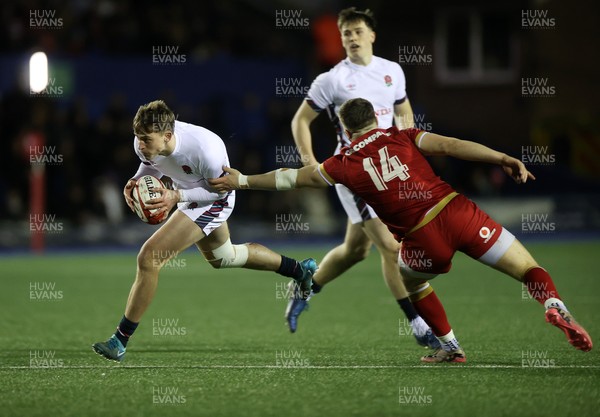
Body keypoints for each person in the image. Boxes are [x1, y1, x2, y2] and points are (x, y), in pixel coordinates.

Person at [209, 98, 593, 363]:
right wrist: (501, 157)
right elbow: (454, 145)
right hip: (457, 213)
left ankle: (451, 347)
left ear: (345, 127)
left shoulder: (342, 163)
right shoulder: (404, 135)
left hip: (422, 239)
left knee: (413, 282)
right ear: (376, 118)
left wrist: (241, 180)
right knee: (528, 269)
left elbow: (290, 178)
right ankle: (554, 305)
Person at [92, 100, 317, 362]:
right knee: (225, 257)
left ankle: (120, 340)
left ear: (167, 136)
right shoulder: (144, 140)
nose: (140, 145)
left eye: (145, 139)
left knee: (149, 258)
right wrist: (134, 180)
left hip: (215, 199)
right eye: (137, 138)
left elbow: (222, 189)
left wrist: (176, 196)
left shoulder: (204, 148)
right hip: (187, 195)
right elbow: (150, 164)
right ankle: (301, 270)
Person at [288, 7, 438, 348]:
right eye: (346, 34)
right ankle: (417, 323)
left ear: (372, 35)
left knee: (356, 250)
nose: (352, 38)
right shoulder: (332, 80)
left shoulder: (392, 71)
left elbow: (402, 111)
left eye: (357, 31)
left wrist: (409, 148)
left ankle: (304, 285)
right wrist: (310, 162)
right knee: (391, 244)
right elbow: (300, 121)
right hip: (355, 173)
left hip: (389, 170)